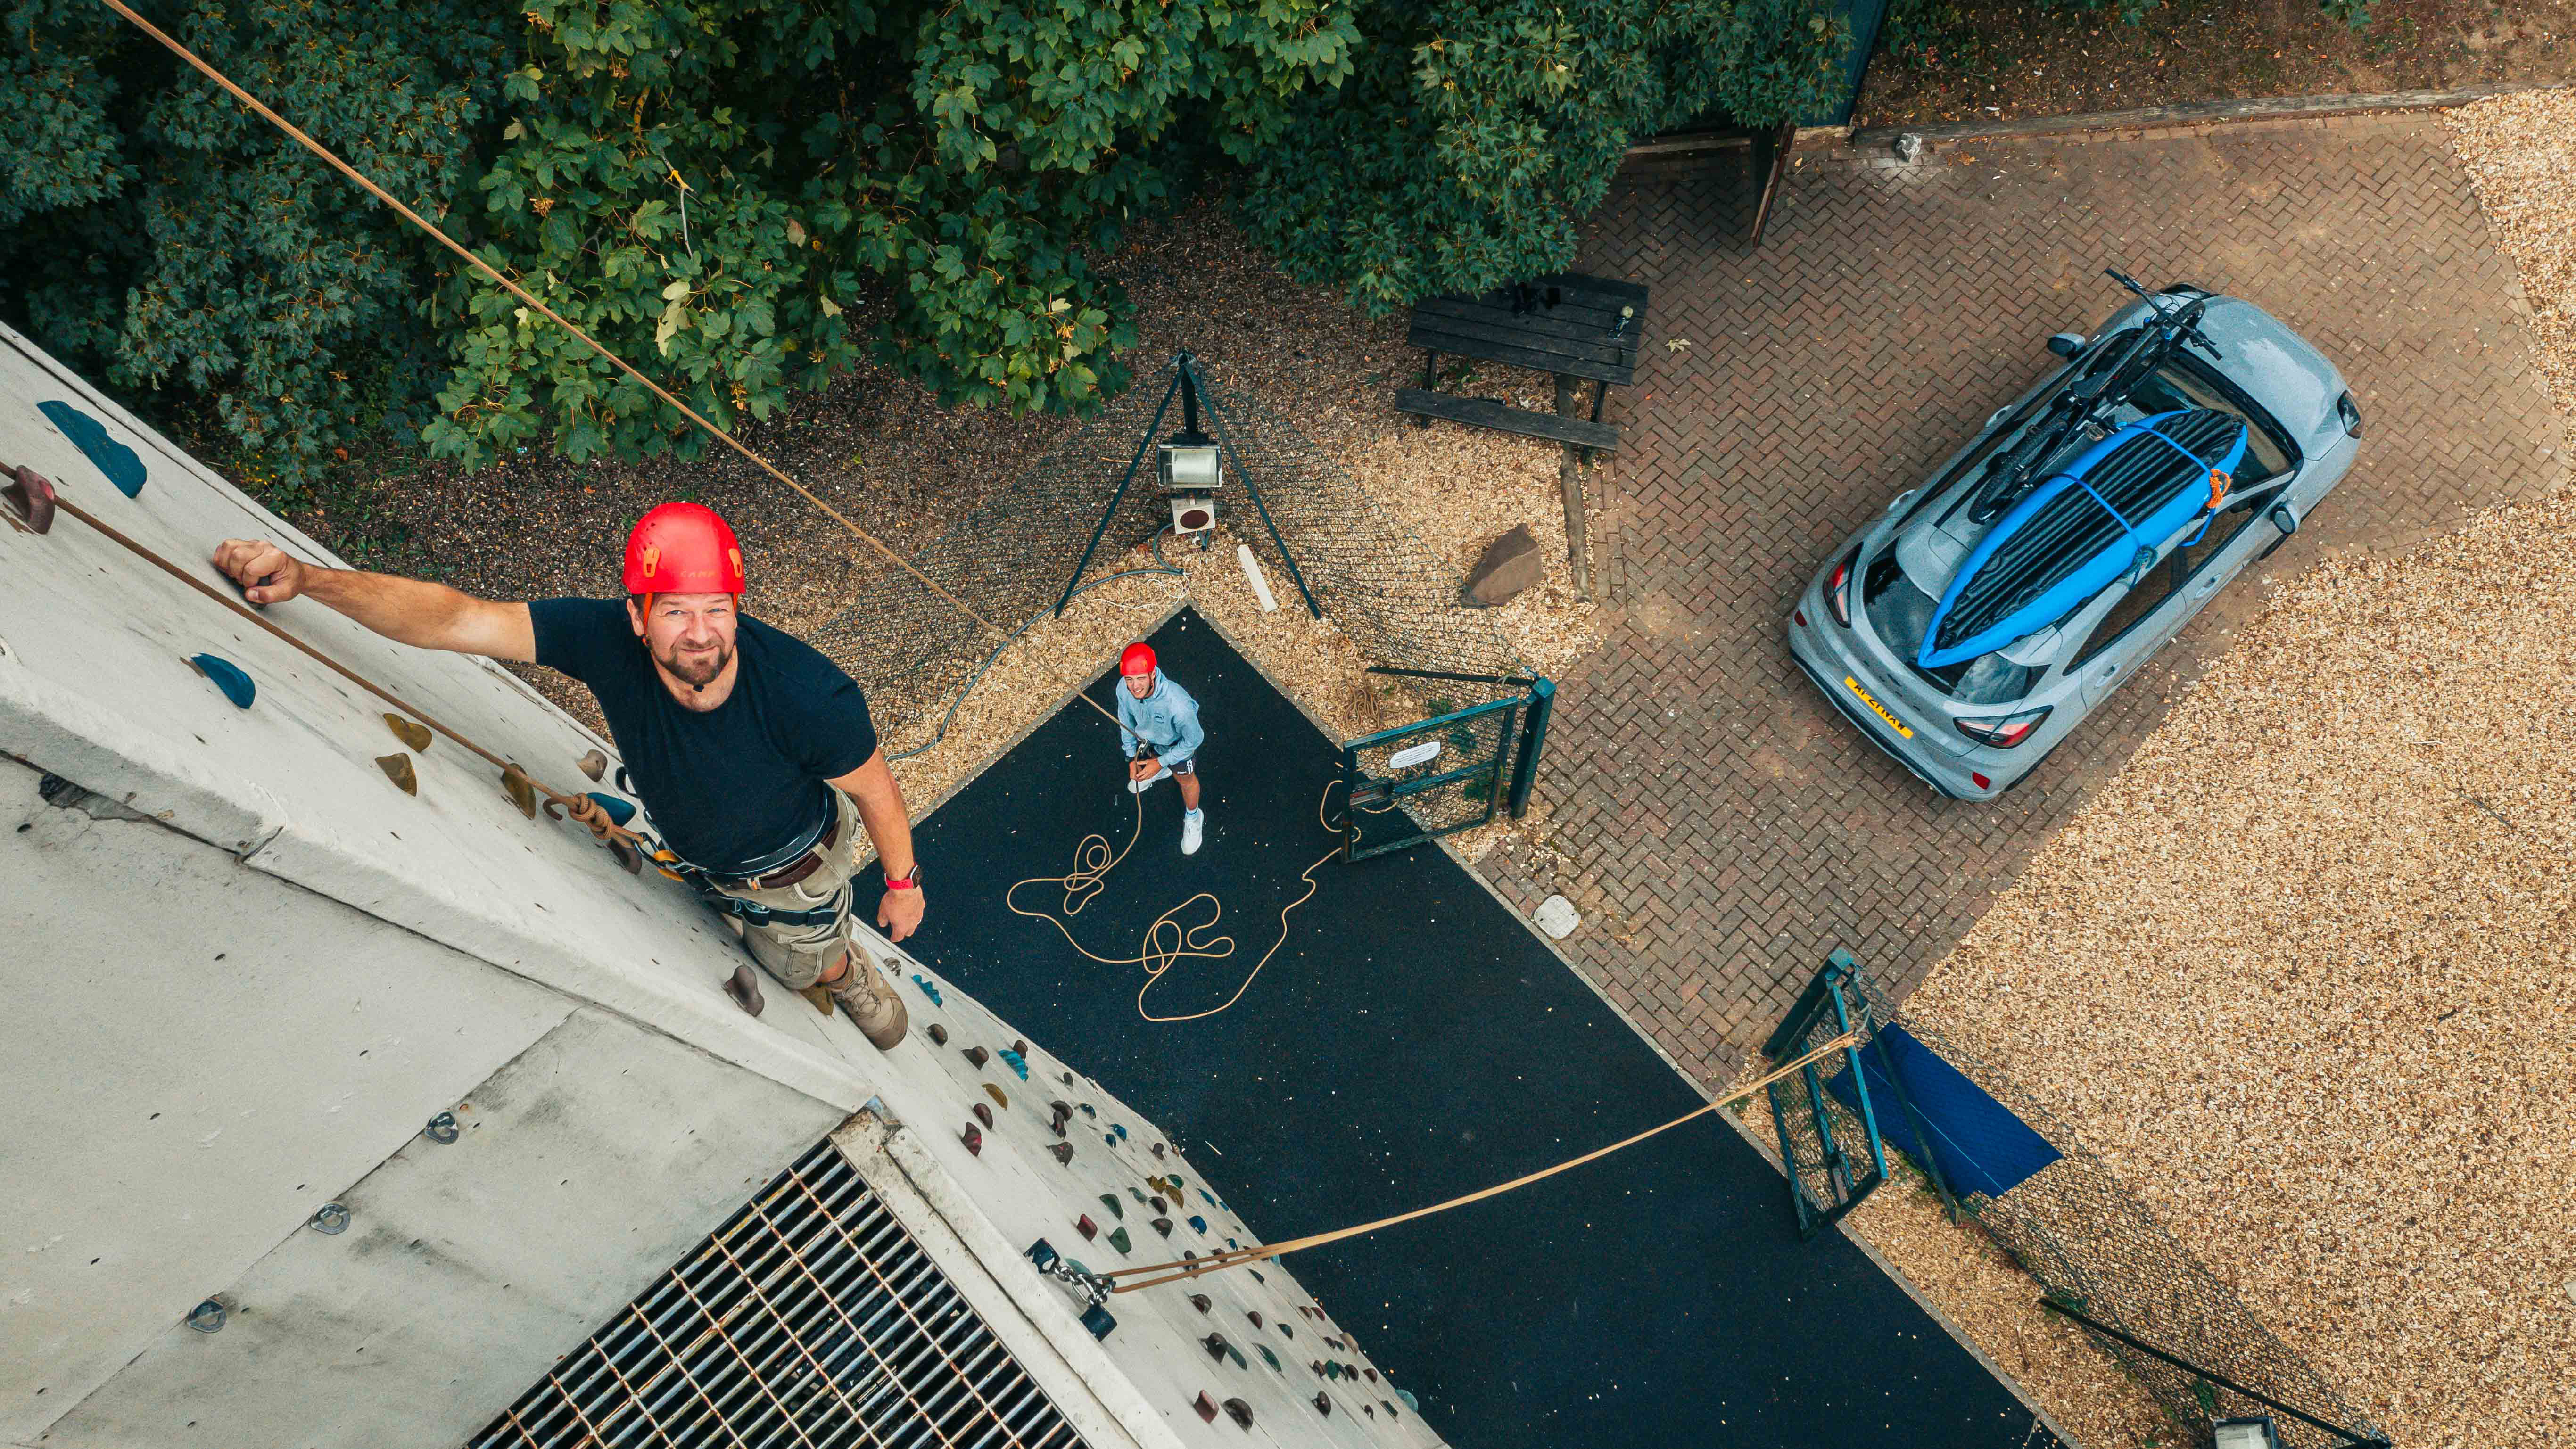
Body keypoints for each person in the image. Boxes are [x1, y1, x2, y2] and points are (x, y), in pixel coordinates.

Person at [210, 502, 918, 1049]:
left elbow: (876, 789)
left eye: (717, 610)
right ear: (638, 617)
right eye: (675, 611)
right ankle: (780, 925)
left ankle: (841, 970)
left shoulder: (809, 696)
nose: (700, 633)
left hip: (791, 873)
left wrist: (900, 886)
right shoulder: (603, 639)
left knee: (798, 964)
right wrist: (306, 579)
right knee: (735, 904)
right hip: (711, 852)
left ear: (739, 609)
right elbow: (460, 619)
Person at [1115, 642, 1205, 856]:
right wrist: (1130, 757)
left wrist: (1162, 762)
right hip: (1152, 742)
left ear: (1153, 674)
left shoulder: (1178, 705)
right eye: (1130, 679)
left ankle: (1194, 816)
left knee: (1186, 780)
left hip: (1178, 748)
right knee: (1153, 761)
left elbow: (1194, 740)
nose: (1135, 686)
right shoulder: (1124, 689)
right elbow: (1125, 721)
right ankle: (1161, 770)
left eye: (1141, 679)